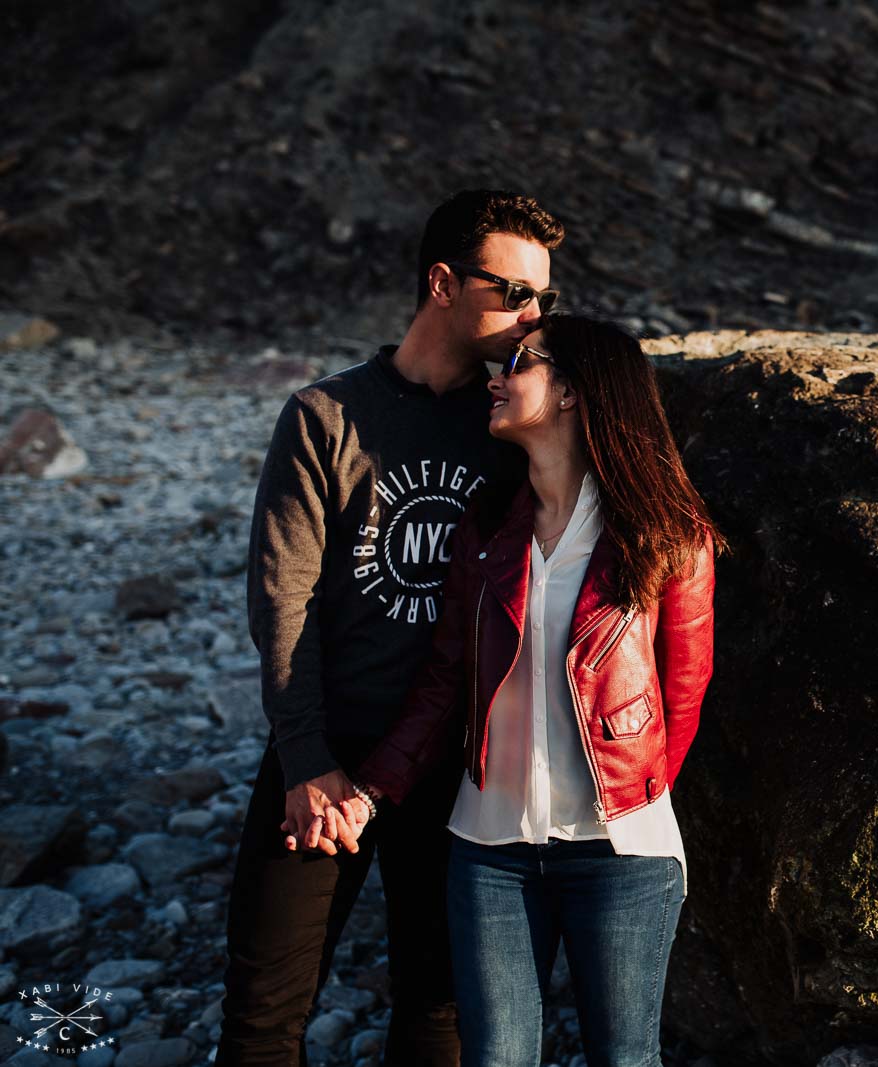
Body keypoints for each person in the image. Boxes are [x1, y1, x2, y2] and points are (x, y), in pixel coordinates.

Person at [218, 188, 565, 1067]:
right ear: (442, 283)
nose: (531, 315)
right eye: (513, 291)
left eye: (544, 299)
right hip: (325, 757)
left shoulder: (509, 421)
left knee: (438, 1014)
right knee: (262, 1019)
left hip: (455, 772)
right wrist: (306, 761)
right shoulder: (325, 417)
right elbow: (281, 602)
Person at [328, 315, 718, 1067]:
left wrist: (631, 796)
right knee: (497, 1057)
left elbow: (685, 687)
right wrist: (372, 789)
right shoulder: (486, 529)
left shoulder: (669, 534)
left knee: (625, 1058)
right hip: (489, 850)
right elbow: (445, 682)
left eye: (518, 362)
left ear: (573, 392)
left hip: (621, 853)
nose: (495, 377)